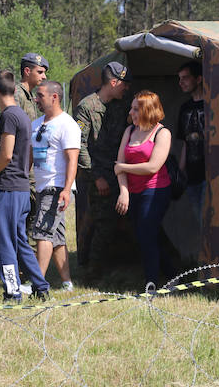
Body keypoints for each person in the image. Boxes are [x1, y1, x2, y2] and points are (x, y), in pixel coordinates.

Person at [0, 70, 49, 301]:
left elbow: (6, 154)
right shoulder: (23, 115)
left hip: (9, 189)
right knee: (20, 241)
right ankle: (41, 287)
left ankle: (13, 292)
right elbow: (29, 152)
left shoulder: (9, 117)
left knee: (3, 244)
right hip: (21, 188)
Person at [74, 61, 131, 281]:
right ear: (114, 82)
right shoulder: (87, 107)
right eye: (123, 84)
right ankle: (92, 272)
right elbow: (79, 145)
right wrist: (96, 177)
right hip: (98, 176)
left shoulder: (121, 104)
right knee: (101, 224)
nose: (126, 88)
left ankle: (105, 266)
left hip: (119, 172)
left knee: (114, 223)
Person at [114, 90, 173, 287]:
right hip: (133, 192)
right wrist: (124, 192)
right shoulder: (129, 131)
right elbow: (118, 165)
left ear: (147, 110)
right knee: (148, 233)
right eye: (131, 109)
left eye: (135, 109)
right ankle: (173, 272)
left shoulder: (162, 133)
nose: (131, 113)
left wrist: (123, 167)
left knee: (146, 233)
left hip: (155, 190)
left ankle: (152, 283)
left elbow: (152, 167)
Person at [29, 81, 79, 291]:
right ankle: (67, 283)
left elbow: (72, 159)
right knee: (55, 237)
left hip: (56, 187)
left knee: (41, 232)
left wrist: (67, 189)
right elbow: (31, 156)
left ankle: (37, 284)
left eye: (40, 95)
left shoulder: (67, 124)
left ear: (54, 97)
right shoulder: (37, 123)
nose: (36, 99)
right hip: (41, 186)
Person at [15, 53, 48, 229]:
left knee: (34, 211)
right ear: (27, 71)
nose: (44, 77)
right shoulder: (17, 95)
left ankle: (29, 253)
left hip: (31, 163)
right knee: (24, 211)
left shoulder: (30, 97)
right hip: (21, 164)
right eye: (40, 72)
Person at [177, 61, 206, 223]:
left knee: (206, 220)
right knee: (200, 222)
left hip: (210, 174)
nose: (181, 82)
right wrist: (181, 171)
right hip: (191, 176)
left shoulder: (212, 105)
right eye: (179, 78)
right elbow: (185, 142)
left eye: (186, 78)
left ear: (199, 78)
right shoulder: (184, 108)